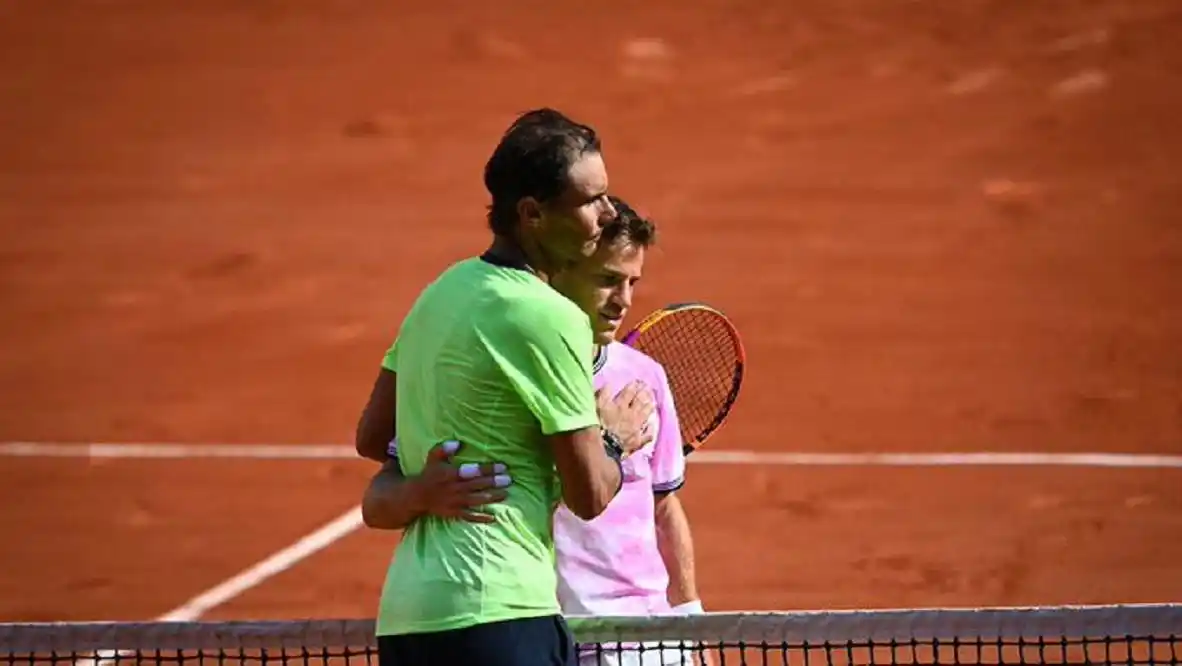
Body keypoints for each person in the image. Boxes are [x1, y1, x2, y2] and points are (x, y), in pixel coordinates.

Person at [354, 109, 656, 666]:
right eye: (591, 200)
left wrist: (425, 485)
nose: (608, 213)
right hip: (501, 613)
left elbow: (374, 436)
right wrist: (613, 437)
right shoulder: (549, 315)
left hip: (408, 620)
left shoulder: (440, 291)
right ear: (533, 214)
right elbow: (589, 494)